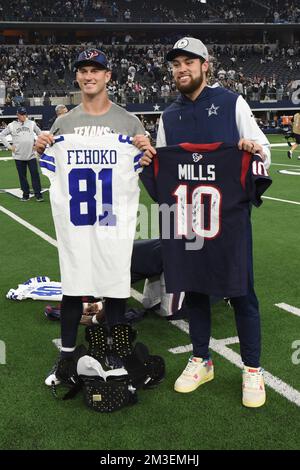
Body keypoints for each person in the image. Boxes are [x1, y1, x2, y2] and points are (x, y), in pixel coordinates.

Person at [141, 37, 271, 408]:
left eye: (189, 62)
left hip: (228, 221)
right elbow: (161, 175)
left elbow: (263, 152)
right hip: (186, 223)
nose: (181, 69)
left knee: (242, 292)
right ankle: (202, 358)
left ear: (205, 65)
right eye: (176, 63)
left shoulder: (233, 103)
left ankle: (252, 368)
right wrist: (149, 161)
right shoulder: (168, 116)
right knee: (194, 289)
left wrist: (253, 152)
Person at [35, 48, 154, 386]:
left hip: (112, 222)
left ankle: (116, 353)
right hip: (77, 225)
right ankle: (67, 357)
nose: (89, 76)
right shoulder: (64, 123)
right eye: (83, 70)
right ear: (77, 77)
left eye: (95, 70)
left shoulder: (130, 122)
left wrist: (144, 154)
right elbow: (48, 161)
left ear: (108, 77)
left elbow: (143, 165)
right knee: (73, 289)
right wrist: (44, 146)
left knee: (115, 289)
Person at [0, 107, 44, 201]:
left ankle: (38, 194)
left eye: (25, 114)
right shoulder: (12, 125)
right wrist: (9, 146)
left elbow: (40, 133)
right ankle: (25, 194)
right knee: (22, 176)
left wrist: (37, 144)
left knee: (35, 175)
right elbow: (2, 135)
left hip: (31, 155)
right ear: (18, 115)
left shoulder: (32, 123)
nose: (24, 116)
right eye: (22, 114)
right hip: (18, 156)